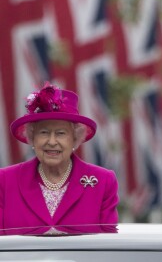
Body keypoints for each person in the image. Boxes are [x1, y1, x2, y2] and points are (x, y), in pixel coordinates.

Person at [0, 82, 119, 235]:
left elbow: (108, 246)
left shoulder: (103, 181)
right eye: (43, 132)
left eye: (61, 133)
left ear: (75, 138)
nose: (52, 141)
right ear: (32, 138)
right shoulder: (4, 180)